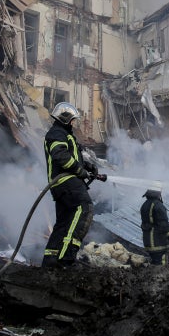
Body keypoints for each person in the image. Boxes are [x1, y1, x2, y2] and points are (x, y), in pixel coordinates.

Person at [41, 102, 99, 269]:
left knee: (64, 222)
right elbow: (60, 155)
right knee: (84, 208)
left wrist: (88, 166)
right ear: (66, 119)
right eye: (73, 120)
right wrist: (79, 170)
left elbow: (73, 155)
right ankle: (66, 258)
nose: (74, 123)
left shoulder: (64, 134)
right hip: (66, 181)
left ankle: (50, 260)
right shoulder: (56, 134)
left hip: (62, 184)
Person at [140, 182, 169, 265]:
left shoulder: (144, 205)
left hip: (148, 242)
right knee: (161, 266)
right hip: (158, 242)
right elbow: (164, 224)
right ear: (158, 193)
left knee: (154, 264)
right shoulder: (158, 205)